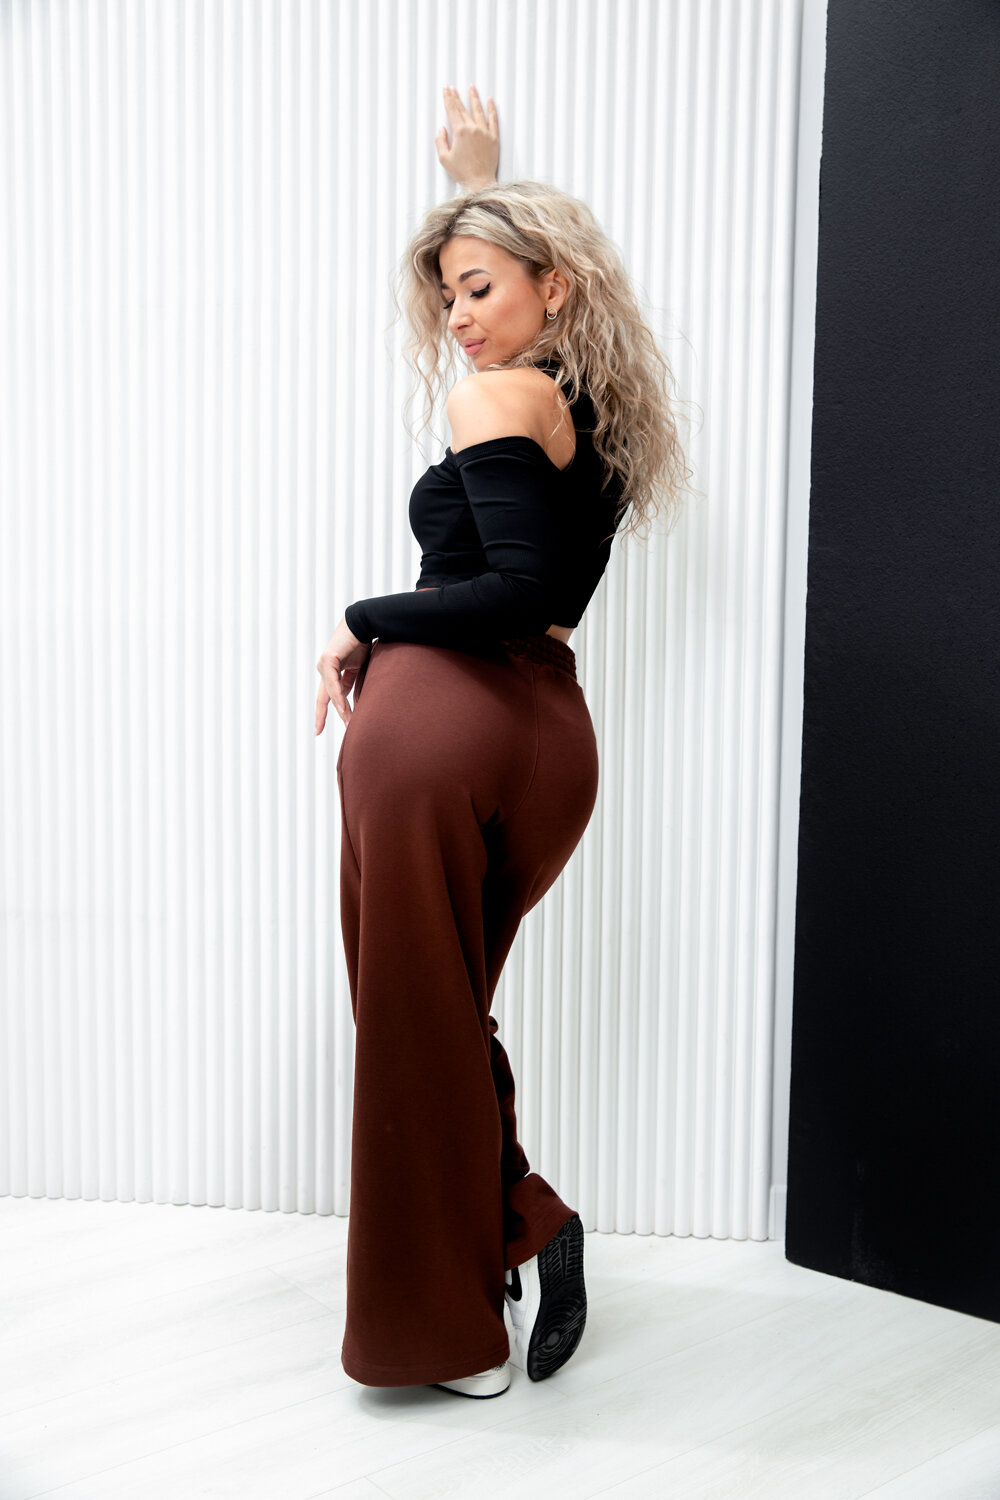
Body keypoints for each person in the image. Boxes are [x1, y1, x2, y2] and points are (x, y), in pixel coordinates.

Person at [315, 86, 693, 1399]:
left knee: (410, 1023)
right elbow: (543, 586)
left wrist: (362, 619)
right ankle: (531, 1224)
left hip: (450, 723)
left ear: (556, 286)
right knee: (436, 1016)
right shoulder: (590, 408)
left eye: (480, 289)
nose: (460, 318)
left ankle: (450, 1338)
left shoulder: (495, 400)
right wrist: (478, 184)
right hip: (541, 736)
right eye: (448, 299)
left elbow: (513, 591)